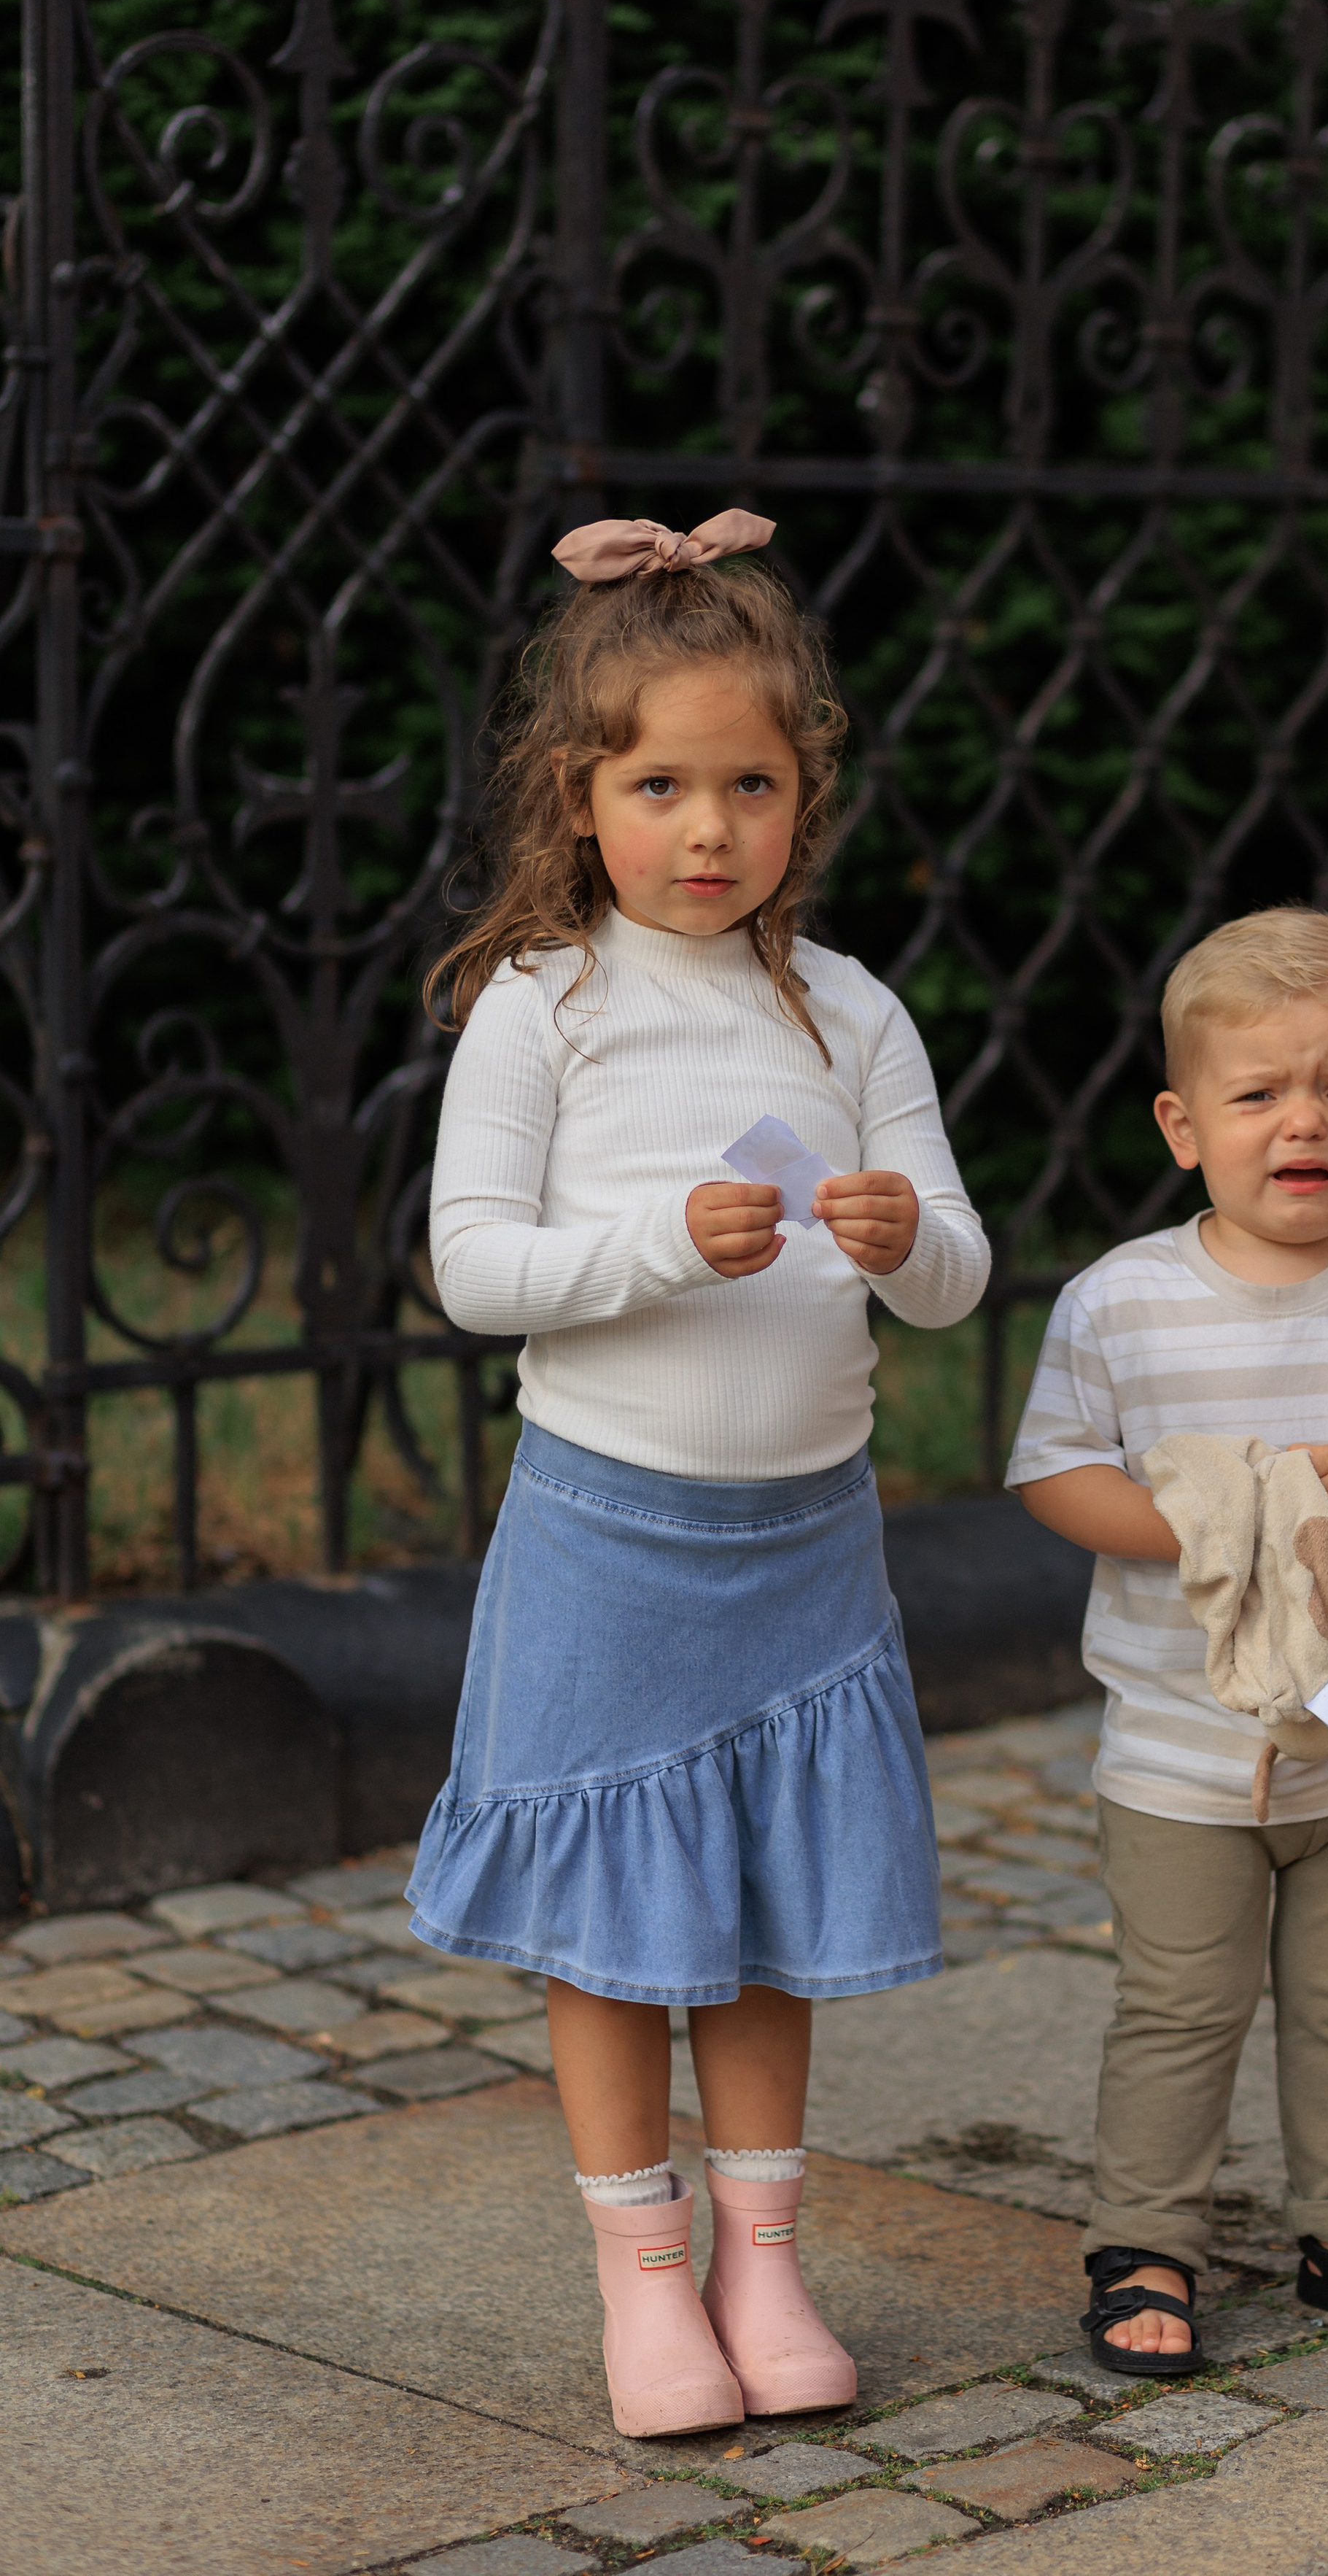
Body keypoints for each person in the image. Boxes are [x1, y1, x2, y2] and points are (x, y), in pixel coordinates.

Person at [408, 511, 989, 2437]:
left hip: (808, 1548)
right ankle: (643, 2282)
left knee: (765, 1923)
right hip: (611, 1536)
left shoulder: (848, 1010)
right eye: (661, 783)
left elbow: (952, 1282)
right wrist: (665, 1245)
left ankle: (766, 2259)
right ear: (581, 797)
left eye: (752, 781)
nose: (710, 826)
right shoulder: (541, 1005)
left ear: (802, 792)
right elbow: (475, 1268)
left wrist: (906, 1231)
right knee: (615, 1922)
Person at [1006, 905, 1328, 2375]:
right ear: (1184, 1126)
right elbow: (1051, 1475)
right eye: (1256, 1093)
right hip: (1186, 1753)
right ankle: (1144, 2243)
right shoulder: (1121, 1304)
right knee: (1178, 2006)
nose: (1299, 1120)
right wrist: (1203, 1521)